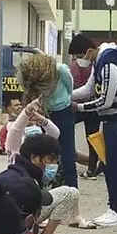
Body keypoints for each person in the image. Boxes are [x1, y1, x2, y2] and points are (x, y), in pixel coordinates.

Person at [72, 42, 117, 227]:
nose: (77, 61)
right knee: (109, 165)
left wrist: (78, 107)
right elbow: (88, 89)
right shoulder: (100, 63)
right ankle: (114, 207)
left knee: (114, 167)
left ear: (89, 51)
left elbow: (105, 101)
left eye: (78, 56)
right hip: (112, 122)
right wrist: (67, 96)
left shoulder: (109, 64)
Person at [5, 102, 94, 231]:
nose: (51, 164)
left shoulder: (42, 145)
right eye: (49, 159)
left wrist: (41, 119)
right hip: (20, 210)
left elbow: (55, 133)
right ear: (34, 157)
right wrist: (26, 113)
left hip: (36, 204)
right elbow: (16, 130)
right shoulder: (15, 149)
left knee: (71, 193)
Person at [17, 52, 79, 188]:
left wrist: (64, 101)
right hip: (44, 112)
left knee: (67, 152)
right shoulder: (29, 76)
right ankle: (44, 184)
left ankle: (71, 188)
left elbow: (70, 88)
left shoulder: (60, 70)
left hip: (63, 111)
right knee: (43, 150)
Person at [68, 34, 103, 179]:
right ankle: (91, 169)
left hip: (82, 105)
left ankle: (68, 162)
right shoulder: (95, 63)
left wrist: (68, 98)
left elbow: (78, 85)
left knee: (67, 131)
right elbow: (90, 88)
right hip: (93, 107)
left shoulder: (78, 66)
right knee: (92, 137)